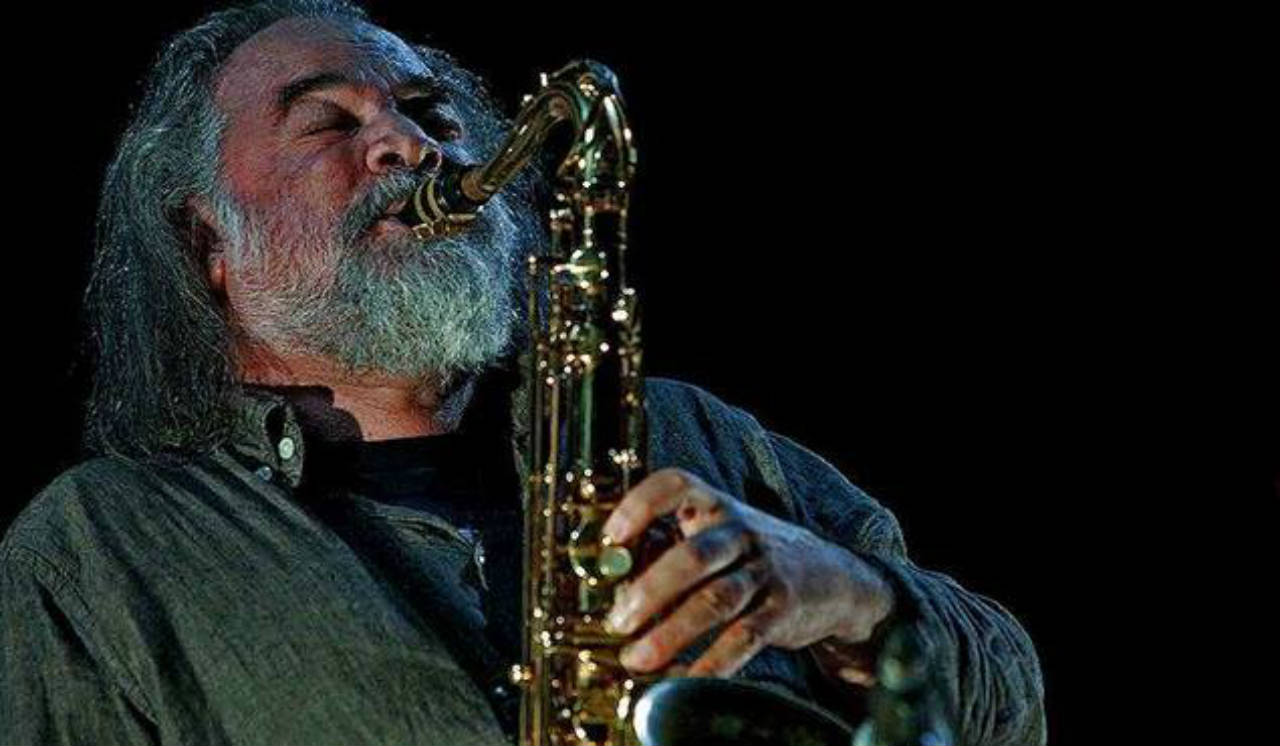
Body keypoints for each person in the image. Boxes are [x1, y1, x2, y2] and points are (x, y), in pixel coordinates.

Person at [0, 2, 1045, 744]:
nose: (411, 145)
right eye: (329, 122)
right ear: (206, 244)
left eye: (431, 113)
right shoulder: (105, 544)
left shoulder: (696, 436)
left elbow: (1012, 705)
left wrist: (859, 601)